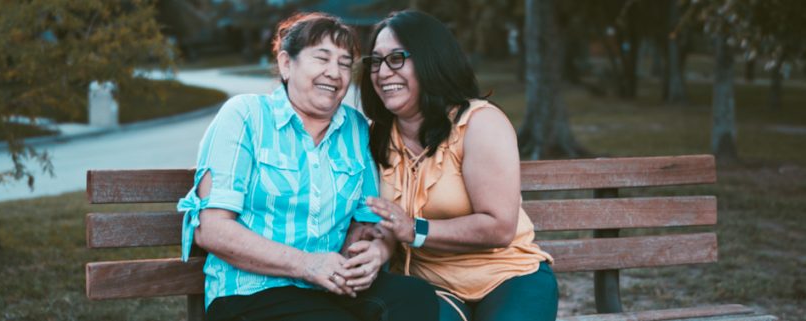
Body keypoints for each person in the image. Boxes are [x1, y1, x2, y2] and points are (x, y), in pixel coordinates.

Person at [177, 12, 438, 321]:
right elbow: (212, 229)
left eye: (344, 63)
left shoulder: (355, 128)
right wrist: (307, 264)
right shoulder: (245, 116)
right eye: (322, 58)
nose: (335, 73)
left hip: (328, 287)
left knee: (413, 296)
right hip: (250, 292)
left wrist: (368, 250)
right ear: (287, 64)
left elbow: (366, 218)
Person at [356, 10, 558, 321]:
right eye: (376, 61)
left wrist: (414, 229)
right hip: (427, 286)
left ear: (431, 60)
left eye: (396, 58)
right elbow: (383, 225)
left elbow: (500, 227)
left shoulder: (478, 123)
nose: (382, 72)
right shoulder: (376, 137)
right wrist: (374, 250)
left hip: (508, 277)